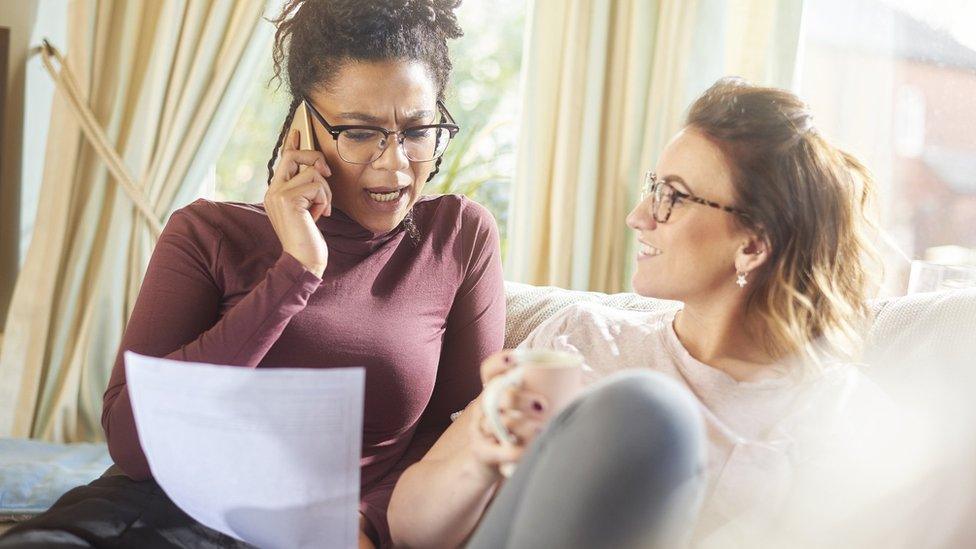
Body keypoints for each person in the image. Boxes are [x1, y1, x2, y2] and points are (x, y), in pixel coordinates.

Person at [0, 1, 503, 548]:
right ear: (306, 125)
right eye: (360, 133)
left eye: (417, 129)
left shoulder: (457, 236)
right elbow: (130, 443)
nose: (396, 164)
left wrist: (368, 520)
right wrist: (297, 271)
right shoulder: (205, 233)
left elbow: (458, 431)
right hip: (148, 516)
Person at [388, 77, 890, 548]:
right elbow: (409, 528)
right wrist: (484, 450)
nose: (639, 216)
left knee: (646, 412)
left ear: (753, 247)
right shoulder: (580, 340)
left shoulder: (845, 417)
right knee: (643, 408)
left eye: (672, 197)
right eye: (654, 187)